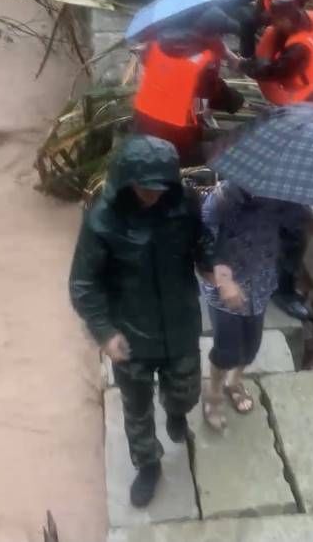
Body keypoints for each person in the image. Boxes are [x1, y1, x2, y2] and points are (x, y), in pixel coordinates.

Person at [69, 134, 244, 508]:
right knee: (136, 407)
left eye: (161, 186)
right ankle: (148, 464)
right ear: (127, 179)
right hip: (129, 330)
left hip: (179, 323)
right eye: (145, 187)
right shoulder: (102, 219)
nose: (153, 194)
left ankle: (177, 411)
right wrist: (103, 331)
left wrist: (219, 273)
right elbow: (84, 284)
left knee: (185, 392)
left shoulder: (185, 204)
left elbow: (204, 246)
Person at [198, 182, 313, 429]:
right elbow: (203, 231)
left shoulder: (287, 193)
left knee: (250, 348)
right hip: (226, 284)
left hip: (260, 281)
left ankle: (234, 382)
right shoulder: (230, 194)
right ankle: (214, 392)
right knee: (227, 349)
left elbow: (296, 225)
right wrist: (223, 279)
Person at [133, 7, 245, 168]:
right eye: (222, 34)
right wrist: (236, 101)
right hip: (174, 134)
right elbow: (208, 97)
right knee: (217, 155)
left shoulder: (158, 44)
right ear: (213, 35)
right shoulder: (202, 61)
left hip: (142, 123)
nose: (223, 39)